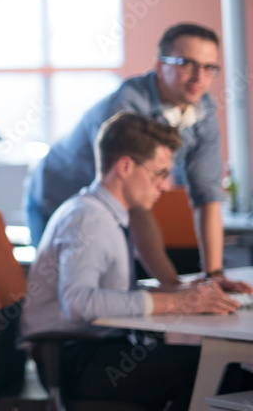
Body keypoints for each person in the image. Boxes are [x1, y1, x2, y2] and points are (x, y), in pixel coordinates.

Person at [22, 112, 246, 411]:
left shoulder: (103, 214)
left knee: (231, 373)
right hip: (72, 362)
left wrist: (183, 292)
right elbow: (79, 301)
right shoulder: (88, 218)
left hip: (84, 354)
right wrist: (177, 302)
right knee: (218, 372)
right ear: (125, 166)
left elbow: (107, 294)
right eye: (158, 173)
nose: (163, 184)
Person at [25, 22, 251, 294]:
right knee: (65, 295)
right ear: (159, 66)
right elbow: (135, 203)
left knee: (118, 290)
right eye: (186, 64)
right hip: (57, 197)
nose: (198, 78)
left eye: (208, 68)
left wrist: (213, 275)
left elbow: (207, 197)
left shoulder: (202, 112)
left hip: (116, 207)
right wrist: (174, 287)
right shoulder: (126, 108)